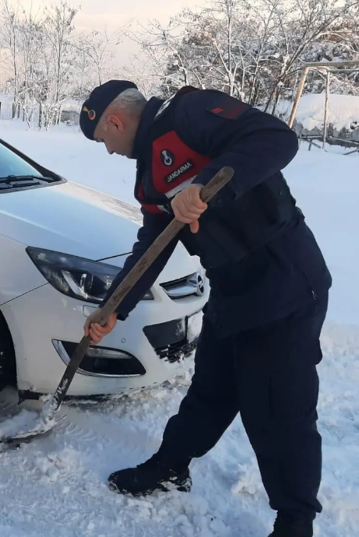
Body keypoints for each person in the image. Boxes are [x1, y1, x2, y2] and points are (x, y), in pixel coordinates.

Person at [78, 81, 332, 537]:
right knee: (210, 390)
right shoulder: (148, 174)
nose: (109, 150)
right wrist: (114, 306)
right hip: (231, 290)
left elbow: (276, 138)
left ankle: (296, 520)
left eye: (103, 140)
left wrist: (204, 184)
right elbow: (152, 246)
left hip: (282, 280)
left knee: (279, 410)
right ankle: (171, 466)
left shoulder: (191, 113)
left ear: (114, 121)